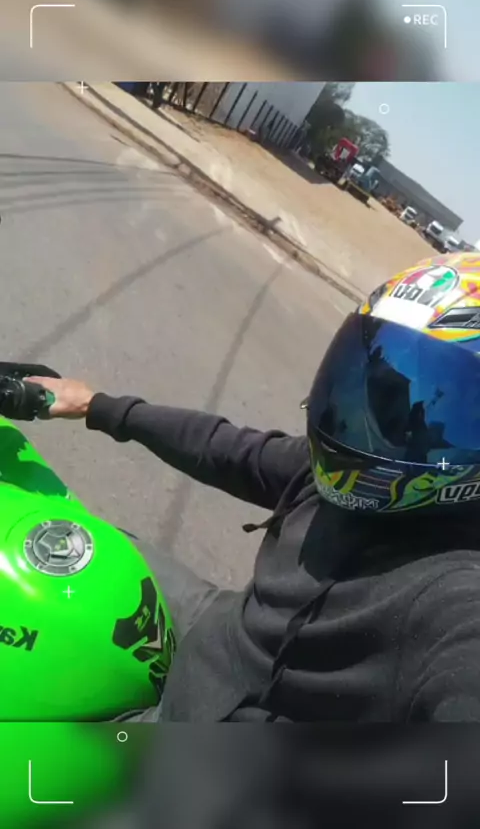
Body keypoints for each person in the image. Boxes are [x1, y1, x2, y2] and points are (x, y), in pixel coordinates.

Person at [26, 253, 480, 723]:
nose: (365, 418)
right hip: (221, 627)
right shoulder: (344, 469)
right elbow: (232, 450)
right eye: (373, 385)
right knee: (62, 541)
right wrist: (95, 405)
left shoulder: (454, 592)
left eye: (421, 410)